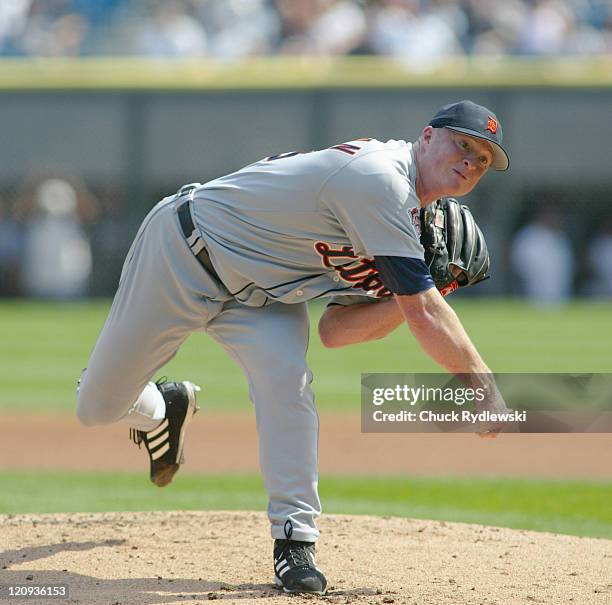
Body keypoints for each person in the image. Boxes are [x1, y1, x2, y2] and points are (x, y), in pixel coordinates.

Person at [76, 99, 509, 595]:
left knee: (288, 383)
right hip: (185, 252)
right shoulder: (380, 179)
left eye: (482, 160)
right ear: (428, 137)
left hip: (265, 298)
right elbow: (423, 312)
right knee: (97, 407)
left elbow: (337, 332)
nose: (471, 162)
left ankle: (295, 541)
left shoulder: (407, 221)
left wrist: (430, 284)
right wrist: (481, 383)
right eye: (464, 144)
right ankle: (162, 408)